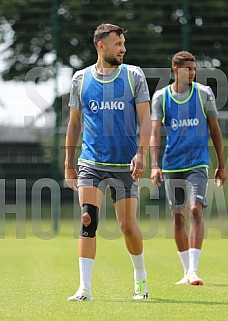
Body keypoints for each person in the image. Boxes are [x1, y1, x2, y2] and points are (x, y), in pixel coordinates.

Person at [65, 23, 151, 301]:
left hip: (125, 165)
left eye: (124, 43)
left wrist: (141, 153)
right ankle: (84, 289)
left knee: (128, 226)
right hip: (91, 163)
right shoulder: (80, 79)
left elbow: (145, 119)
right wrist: (69, 164)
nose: (123, 48)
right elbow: (74, 125)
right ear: (101, 45)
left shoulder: (134, 76)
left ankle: (141, 280)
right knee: (88, 219)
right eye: (118, 44)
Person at [150, 51, 227, 285]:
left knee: (195, 209)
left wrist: (221, 165)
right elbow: (154, 133)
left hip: (198, 162)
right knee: (178, 218)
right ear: (175, 70)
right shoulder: (161, 97)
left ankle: (193, 270)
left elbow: (215, 129)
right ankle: (186, 272)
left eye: (194, 69)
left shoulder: (204, 94)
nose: (192, 73)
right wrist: (154, 165)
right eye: (187, 69)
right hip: (172, 164)